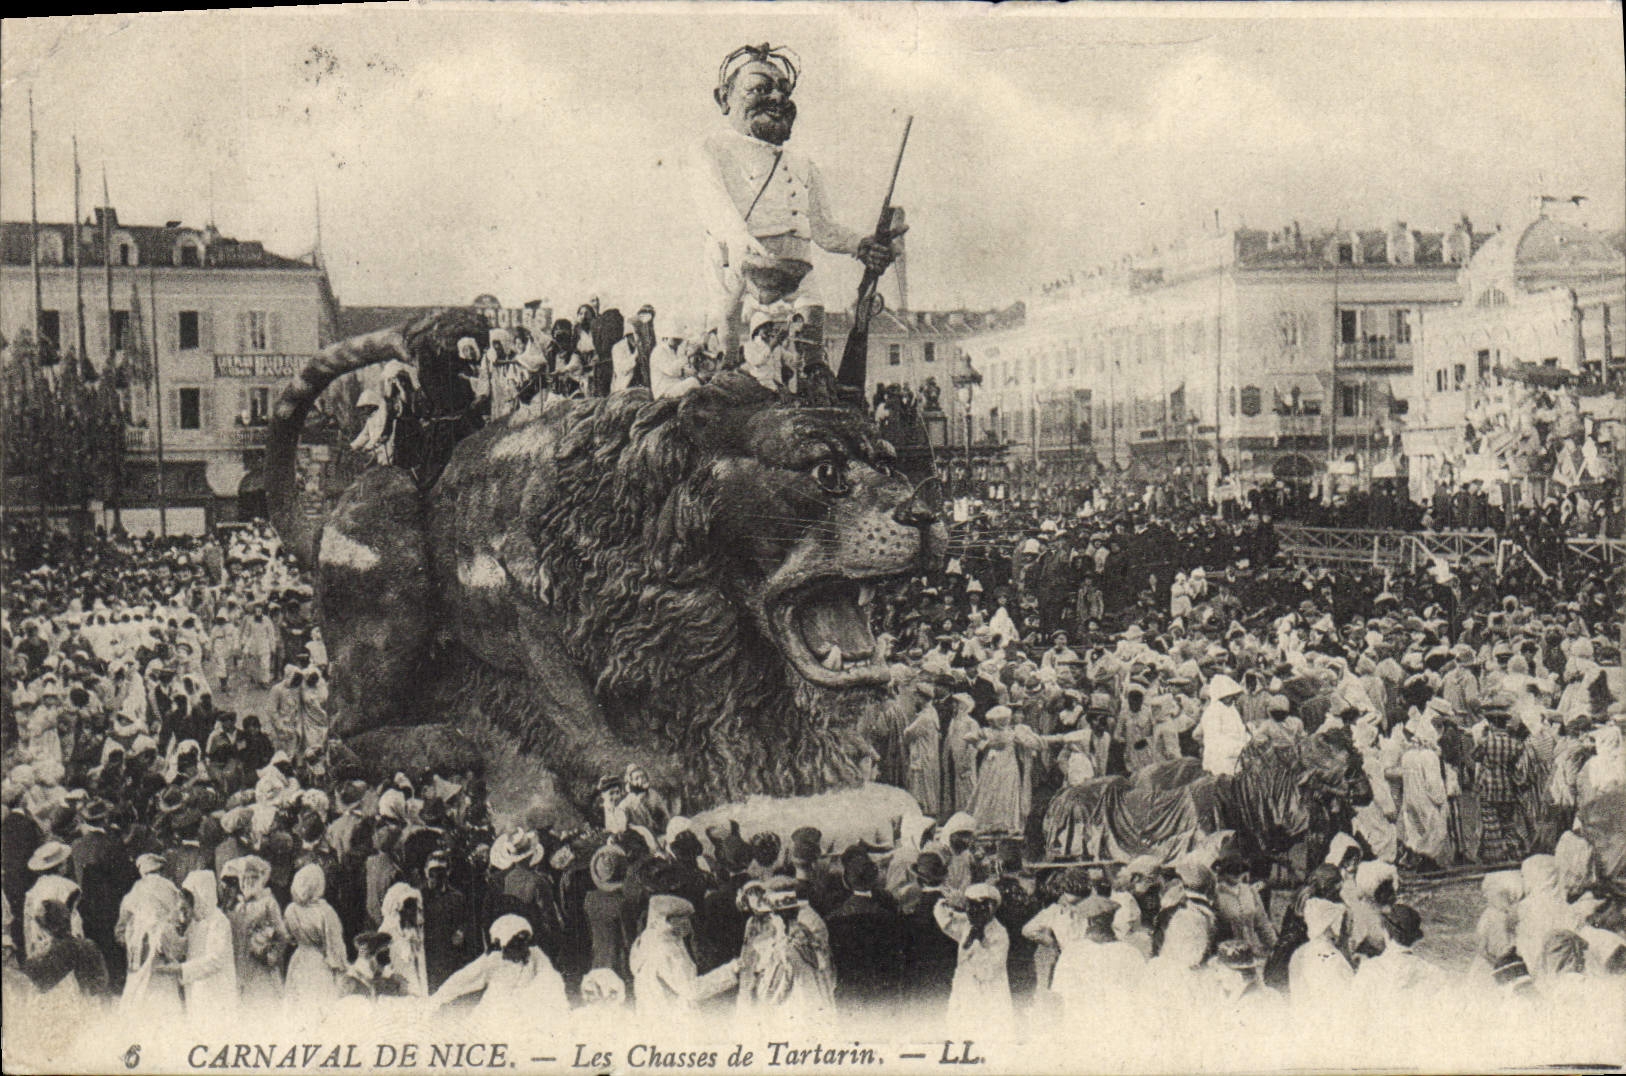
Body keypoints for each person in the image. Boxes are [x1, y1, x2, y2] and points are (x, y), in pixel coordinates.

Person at [691, 43, 900, 356]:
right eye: (759, 88)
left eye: (783, 91)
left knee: (811, 315)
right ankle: (728, 366)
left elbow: (823, 228)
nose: (777, 98)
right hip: (741, 261)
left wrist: (861, 245)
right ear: (724, 98)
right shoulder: (713, 149)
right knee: (727, 322)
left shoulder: (803, 164)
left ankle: (813, 370)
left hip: (798, 265)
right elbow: (713, 205)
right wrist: (741, 243)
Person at [430, 914, 568, 1017]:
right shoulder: (494, 959)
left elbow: (552, 980)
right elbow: (463, 979)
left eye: (525, 941)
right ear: (504, 945)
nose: (523, 947)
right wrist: (436, 1000)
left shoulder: (536, 956)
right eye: (517, 943)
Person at [735, 878, 835, 1018]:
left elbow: (771, 994)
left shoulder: (784, 947)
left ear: (776, 913)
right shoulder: (805, 932)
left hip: (792, 1013)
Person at [628, 894, 739, 1015]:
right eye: (682, 919)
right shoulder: (666, 947)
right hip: (671, 1016)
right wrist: (731, 970)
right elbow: (692, 989)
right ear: (666, 921)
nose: (688, 924)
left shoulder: (644, 941)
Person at [934, 883, 1013, 1030]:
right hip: (964, 989)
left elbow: (989, 971)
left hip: (988, 993)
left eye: (980, 907)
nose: (973, 911)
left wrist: (979, 941)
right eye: (970, 906)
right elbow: (944, 919)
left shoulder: (999, 933)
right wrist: (950, 902)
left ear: (992, 908)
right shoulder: (967, 924)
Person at [221, 855, 287, 1009]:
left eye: (253, 878)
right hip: (240, 964)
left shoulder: (268, 903)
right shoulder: (237, 905)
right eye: (244, 878)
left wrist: (269, 955)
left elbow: (281, 935)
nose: (248, 882)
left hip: (260, 968)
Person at [174, 870, 237, 1021]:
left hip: (216, 989)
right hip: (197, 988)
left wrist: (183, 970)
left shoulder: (219, 921)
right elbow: (186, 948)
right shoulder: (195, 922)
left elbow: (216, 960)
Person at [282, 863, 346, 1008]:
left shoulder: (291, 910)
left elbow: (287, 936)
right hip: (318, 962)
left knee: (298, 1004)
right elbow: (335, 946)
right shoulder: (325, 912)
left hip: (298, 959)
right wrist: (340, 968)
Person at [1287, 896, 1353, 1005]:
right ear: (1332, 928)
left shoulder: (1299, 953)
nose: (1347, 930)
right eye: (1343, 924)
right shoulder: (1332, 958)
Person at [1198, 675, 1250, 776]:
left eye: (1233, 696)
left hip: (1236, 761)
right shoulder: (1212, 712)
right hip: (1219, 763)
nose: (1232, 699)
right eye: (1229, 696)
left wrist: (1249, 740)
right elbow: (1215, 742)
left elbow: (1240, 732)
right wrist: (1240, 748)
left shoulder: (1232, 710)